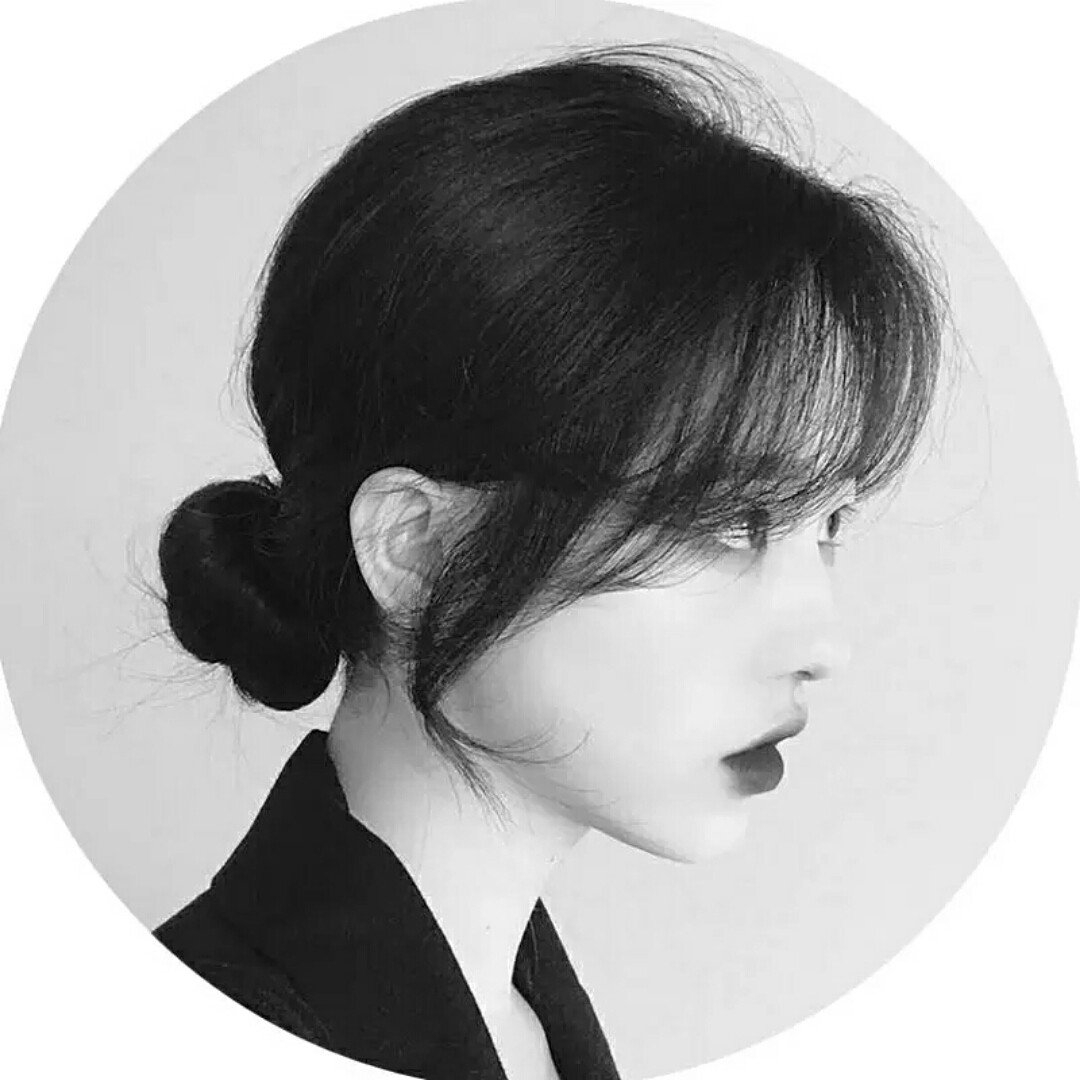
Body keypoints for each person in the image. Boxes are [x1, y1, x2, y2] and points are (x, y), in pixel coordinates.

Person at [151, 45, 945, 1080]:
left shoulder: (521, 1021)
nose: (823, 643)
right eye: (735, 521)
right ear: (418, 547)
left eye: (829, 523)